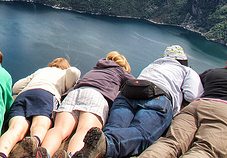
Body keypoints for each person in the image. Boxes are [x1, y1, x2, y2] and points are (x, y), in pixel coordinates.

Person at [73, 45, 203, 158]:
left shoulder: (153, 65)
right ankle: (107, 144)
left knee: (114, 128)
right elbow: (193, 95)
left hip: (128, 93)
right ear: (183, 61)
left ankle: (95, 149)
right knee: (143, 133)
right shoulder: (187, 71)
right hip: (157, 97)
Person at [36, 51, 134, 158]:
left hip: (75, 93)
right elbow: (136, 84)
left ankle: (45, 152)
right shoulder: (120, 71)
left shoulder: (95, 68)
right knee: (85, 130)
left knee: (60, 128)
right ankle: (72, 155)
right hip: (96, 96)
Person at [0, 58, 81, 158]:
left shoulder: (41, 71)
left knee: (14, 128)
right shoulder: (65, 73)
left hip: (25, 95)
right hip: (46, 95)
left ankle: (0, 154)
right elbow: (74, 72)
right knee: (40, 125)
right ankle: (34, 141)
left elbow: (16, 87)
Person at [138, 60, 227, 158]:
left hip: (195, 106)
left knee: (171, 142)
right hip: (222, 111)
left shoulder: (212, 72)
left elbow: (195, 87)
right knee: (207, 149)